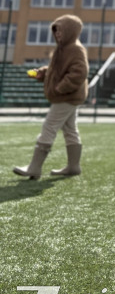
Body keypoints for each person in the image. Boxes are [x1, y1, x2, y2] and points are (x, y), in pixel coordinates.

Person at [13, 14, 89, 179]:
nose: (58, 34)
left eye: (61, 30)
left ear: (71, 31)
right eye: (56, 31)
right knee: (70, 129)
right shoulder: (63, 49)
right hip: (70, 96)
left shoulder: (75, 49)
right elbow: (59, 71)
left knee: (49, 127)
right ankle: (73, 166)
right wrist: (44, 73)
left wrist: (60, 88)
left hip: (67, 96)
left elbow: (79, 72)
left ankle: (34, 167)